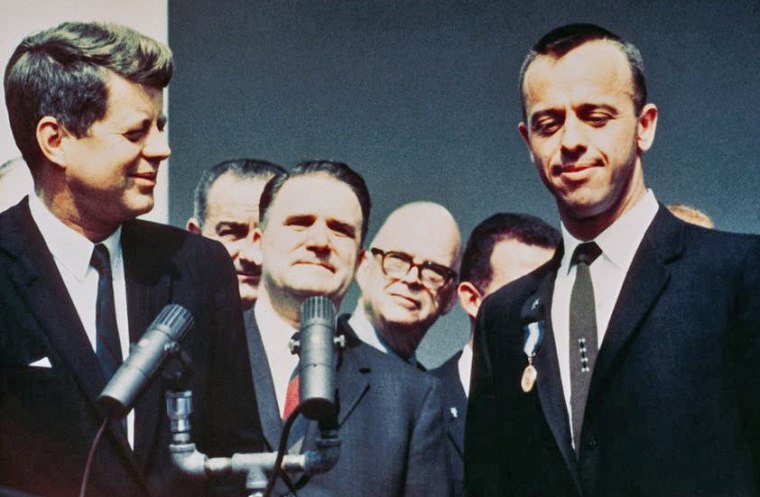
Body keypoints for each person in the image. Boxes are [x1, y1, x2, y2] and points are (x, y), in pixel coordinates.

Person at [465, 23, 760, 497]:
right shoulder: (502, 318)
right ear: (528, 142)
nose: (571, 140)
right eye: (549, 123)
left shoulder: (739, 276)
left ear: (644, 126)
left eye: (595, 116)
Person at [0, 21, 258, 497]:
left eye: (159, 126)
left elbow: (235, 459)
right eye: (137, 131)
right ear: (55, 140)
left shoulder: (200, 267)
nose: (161, 149)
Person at [246, 160, 452, 496]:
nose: (320, 241)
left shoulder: (410, 398)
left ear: (359, 262)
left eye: (340, 229)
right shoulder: (197, 357)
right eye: (300, 223)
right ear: (258, 241)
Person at [432, 212, 559, 497]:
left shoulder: (565, 414)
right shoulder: (417, 406)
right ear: (472, 299)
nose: (542, 305)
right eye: (523, 290)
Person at [349, 201, 461, 367]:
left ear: (451, 299)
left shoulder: (438, 391)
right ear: (363, 267)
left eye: (434, 271)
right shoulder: (312, 363)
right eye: (398, 260)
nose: (412, 278)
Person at [187, 158, 285, 309]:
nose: (252, 257)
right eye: (232, 233)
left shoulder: (321, 332)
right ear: (195, 237)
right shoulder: (149, 324)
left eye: (266, 235)